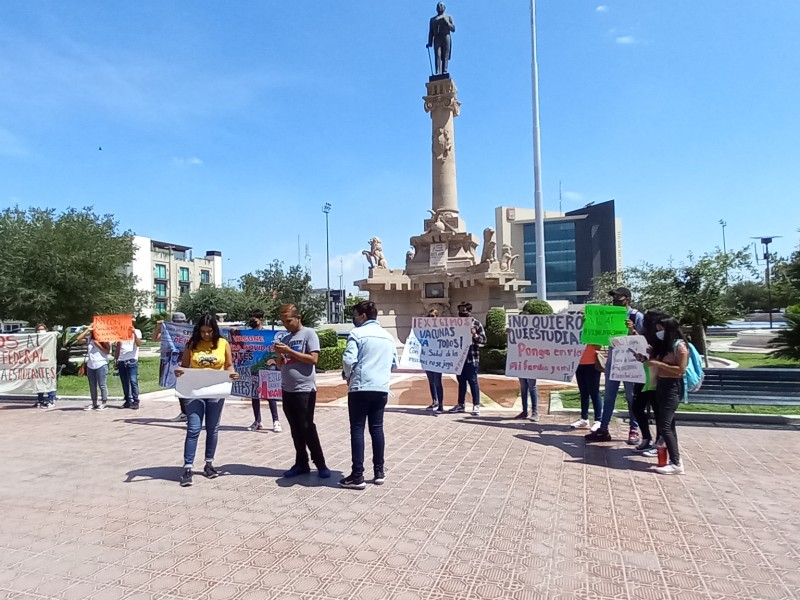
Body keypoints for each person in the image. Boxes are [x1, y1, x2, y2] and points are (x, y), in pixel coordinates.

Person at [174, 314, 238, 487]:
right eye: (203, 331)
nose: (206, 335)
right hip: (195, 392)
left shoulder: (223, 343)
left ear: (214, 330)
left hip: (216, 391)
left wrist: (232, 373)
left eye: (209, 331)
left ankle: (209, 464)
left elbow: (229, 365)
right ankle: (188, 467)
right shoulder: (192, 344)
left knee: (212, 428)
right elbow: (185, 365)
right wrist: (179, 371)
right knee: (193, 428)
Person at [340, 301, 398, 490]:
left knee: (357, 429)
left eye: (356, 315)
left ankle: (357, 476)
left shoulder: (357, 334)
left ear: (363, 316)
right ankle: (379, 472)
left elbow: (349, 359)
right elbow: (394, 363)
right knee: (377, 429)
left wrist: (347, 375)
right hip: (381, 388)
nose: (354, 318)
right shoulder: (388, 337)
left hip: (360, 387)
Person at [275, 304, 330, 479]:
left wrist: (289, 351)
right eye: (283, 321)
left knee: (307, 426)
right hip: (288, 389)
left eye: (288, 320)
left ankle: (320, 463)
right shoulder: (285, 338)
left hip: (304, 389)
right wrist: (279, 354)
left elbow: (313, 359)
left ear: (298, 318)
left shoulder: (309, 334)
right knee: (295, 428)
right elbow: (280, 365)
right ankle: (301, 463)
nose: (286, 324)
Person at [585, 287, 644, 443]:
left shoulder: (636, 316)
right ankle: (603, 429)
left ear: (628, 299)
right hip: (614, 361)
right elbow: (597, 336)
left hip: (631, 364)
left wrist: (632, 330)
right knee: (609, 397)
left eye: (619, 296)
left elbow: (644, 342)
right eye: (614, 296)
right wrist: (589, 324)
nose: (616, 299)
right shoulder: (608, 315)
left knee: (631, 397)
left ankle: (634, 430)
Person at [645, 317, 688, 475]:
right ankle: (674, 459)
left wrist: (658, 364)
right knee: (669, 424)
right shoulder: (666, 346)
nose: (658, 333)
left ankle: (676, 463)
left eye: (660, 329)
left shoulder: (680, 347)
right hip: (662, 384)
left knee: (664, 425)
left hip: (673, 387)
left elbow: (680, 370)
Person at [631, 310, 668, 455]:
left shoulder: (663, 338)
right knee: (637, 407)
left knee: (658, 411)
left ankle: (660, 442)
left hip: (656, 379)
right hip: (643, 377)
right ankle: (646, 438)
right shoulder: (645, 334)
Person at [244, 310, 282, 433]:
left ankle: (276, 421)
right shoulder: (246, 334)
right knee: (255, 395)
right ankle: (257, 421)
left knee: (270, 393)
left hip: (267, 367)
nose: (252, 320)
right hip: (253, 367)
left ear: (260, 319)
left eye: (254, 318)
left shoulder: (268, 335)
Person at [447, 302, 487, 416]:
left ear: (469, 311)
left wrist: (475, 335)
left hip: (471, 358)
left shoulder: (476, 323)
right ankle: (461, 404)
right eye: (460, 310)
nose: (462, 313)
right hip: (459, 359)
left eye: (464, 310)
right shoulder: (456, 323)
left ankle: (476, 405)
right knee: (461, 382)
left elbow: (484, 340)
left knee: (473, 381)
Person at [153, 312, 190, 421]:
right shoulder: (168, 332)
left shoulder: (188, 332)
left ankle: (190, 413)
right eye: (177, 322)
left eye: (182, 322)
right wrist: (159, 328)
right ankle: (184, 412)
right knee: (179, 388)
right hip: (174, 363)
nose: (180, 324)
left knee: (187, 389)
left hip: (188, 364)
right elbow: (155, 338)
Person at [75, 323, 111, 410]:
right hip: (91, 364)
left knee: (102, 384)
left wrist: (98, 345)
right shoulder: (89, 339)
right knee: (92, 385)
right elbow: (78, 339)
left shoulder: (104, 339)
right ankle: (94, 403)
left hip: (101, 364)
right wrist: (88, 329)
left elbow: (107, 351)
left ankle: (104, 402)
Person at [570, 344, 602, 429]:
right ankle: (584, 419)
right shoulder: (575, 330)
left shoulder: (593, 331)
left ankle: (598, 420)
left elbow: (599, 346)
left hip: (592, 363)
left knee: (594, 393)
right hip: (578, 362)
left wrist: (589, 340)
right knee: (583, 393)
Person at [116, 317, 142, 410]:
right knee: (124, 382)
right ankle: (127, 400)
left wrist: (134, 332)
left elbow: (139, 344)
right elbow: (119, 346)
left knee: (133, 381)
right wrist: (116, 359)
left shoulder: (137, 332)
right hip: (121, 360)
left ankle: (135, 400)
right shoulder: (121, 332)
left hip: (132, 360)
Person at [423, 308, 445, 413]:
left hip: (438, 358)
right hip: (428, 357)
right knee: (431, 381)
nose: (432, 318)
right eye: (430, 316)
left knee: (437, 382)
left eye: (434, 316)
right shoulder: (425, 329)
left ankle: (440, 404)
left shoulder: (441, 329)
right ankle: (434, 401)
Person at [427, 2, 455, 75]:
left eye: (441, 6)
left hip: (446, 36)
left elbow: (453, 29)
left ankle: (444, 70)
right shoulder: (433, 19)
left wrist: (447, 23)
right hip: (437, 38)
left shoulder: (448, 17)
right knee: (437, 55)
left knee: (445, 54)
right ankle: (437, 72)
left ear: (444, 8)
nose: (440, 7)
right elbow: (431, 32)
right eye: (438, 6)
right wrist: (430, 42)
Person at [34, 324, 56, 408]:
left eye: (42, 329)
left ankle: (51, 399)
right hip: (38, 364)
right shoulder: (34, 339)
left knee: (49, 381)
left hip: (49, 364)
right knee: (39, 382)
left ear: (46, 329)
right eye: (39, 330)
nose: (40, 331)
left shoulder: (50, 337)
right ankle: (40, 400)